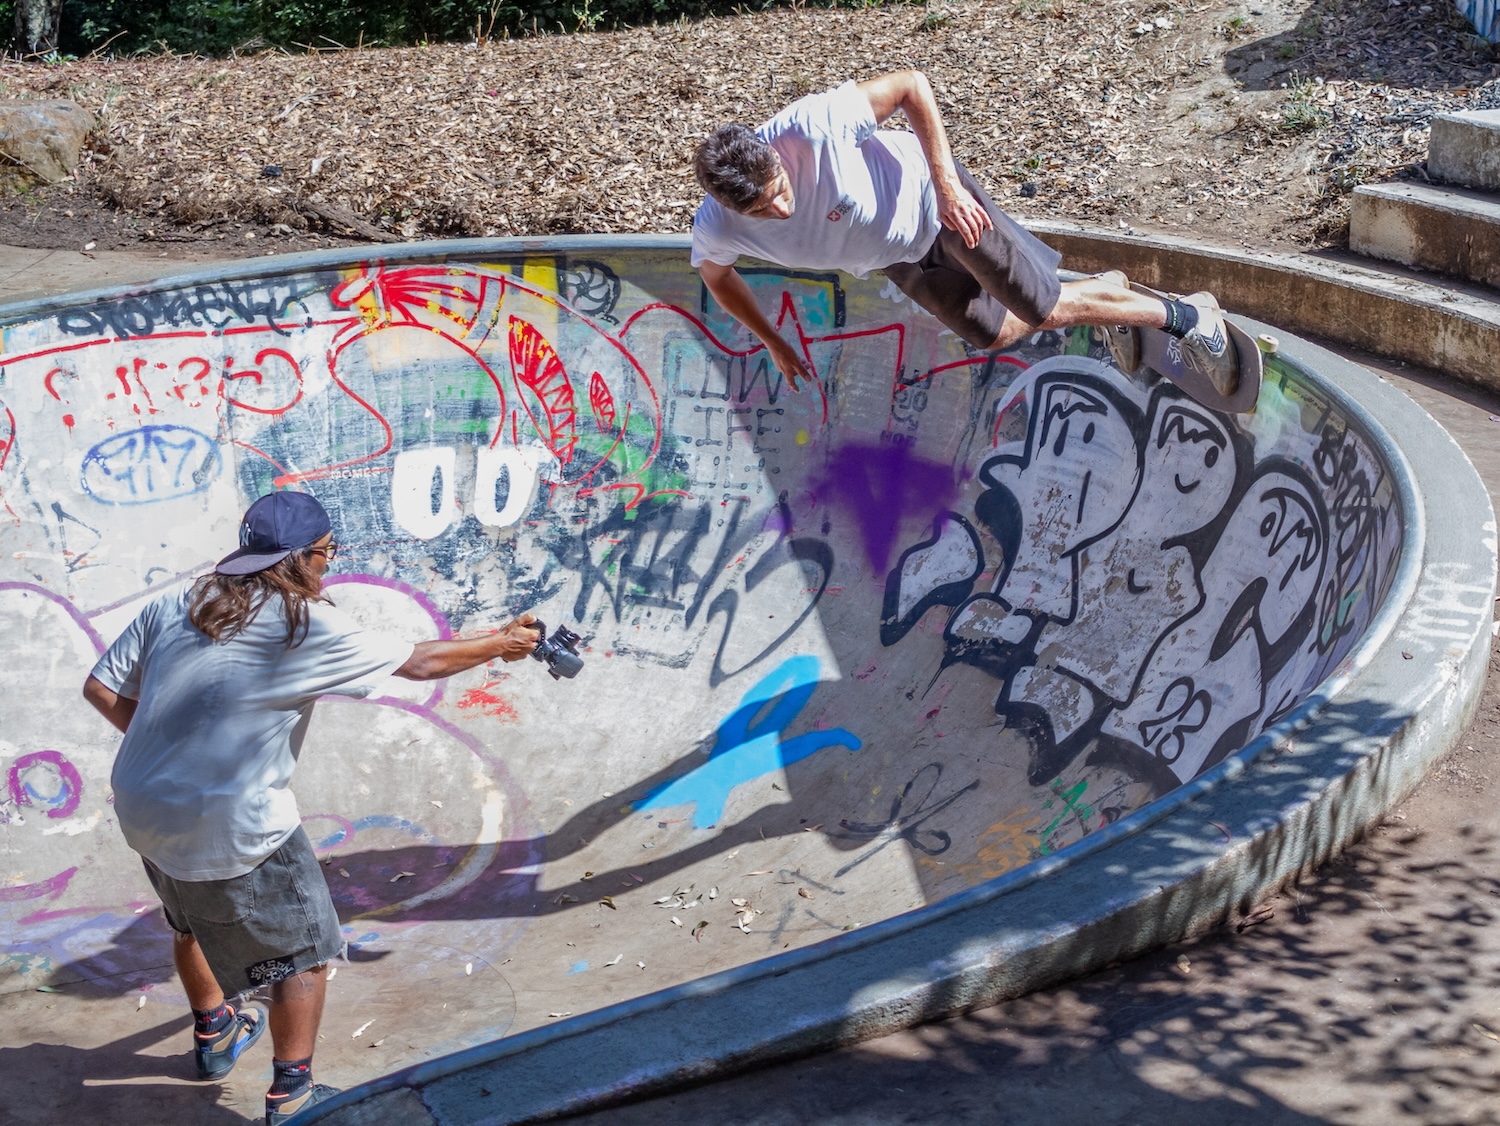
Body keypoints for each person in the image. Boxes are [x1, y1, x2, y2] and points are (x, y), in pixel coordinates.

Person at [82, 491, 540, 1125]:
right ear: (300, 558)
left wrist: (168, 751)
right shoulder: (303, 623)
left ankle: (215, 1030)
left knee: (189, 920)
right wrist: (501, 644)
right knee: (306, 951)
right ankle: (291, 1093)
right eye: (325, 554)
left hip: (143, 803)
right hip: (234, 820)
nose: (328, 565)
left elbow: (100, 687)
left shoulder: (178, 600)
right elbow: (421, 661)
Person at [690, 70, 1238, 398]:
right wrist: (774, 340)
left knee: (1042, 309)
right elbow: (717, 277)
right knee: (992, 333)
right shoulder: (716, 226)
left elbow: (910, 85)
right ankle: (1105, 292)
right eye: (763, 210)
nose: (783, 207)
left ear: (772, 155)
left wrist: (948, 185)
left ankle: (1188, 317)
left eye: (780, 187)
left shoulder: (811, 126)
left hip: (942, 211)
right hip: (901, 259)